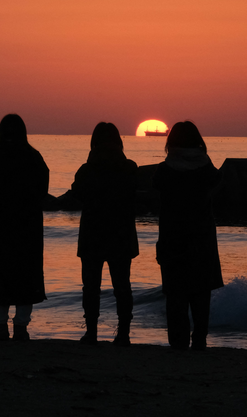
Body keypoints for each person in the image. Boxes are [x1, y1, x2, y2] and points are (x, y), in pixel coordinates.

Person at [152, 120, 224, 350]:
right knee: (201, 293)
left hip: (173, 236)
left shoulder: (164, 171)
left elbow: (155, 194)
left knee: (175, 294)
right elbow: (217, 185)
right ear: (198, 141)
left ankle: (178, 342)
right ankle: (200, 339)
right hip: (202, 237)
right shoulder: (207, 170)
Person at [0, 114, 49, 341]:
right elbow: (42, 189)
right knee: (27, 272)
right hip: (27, 221)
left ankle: (0, 325)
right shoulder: (33, 157)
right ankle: (21, 326)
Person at [71, 122, 139, 346]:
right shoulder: (129, 167)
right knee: (122, 286)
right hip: (121, 233)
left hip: (92, 233)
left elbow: (77, 194)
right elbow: (137, 197)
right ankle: (124, 333)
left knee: (91, 286)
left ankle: (91, 332)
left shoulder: (86, 170)